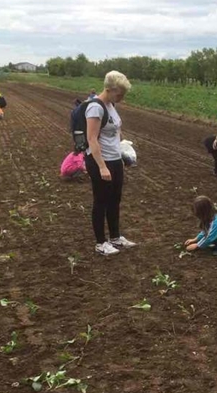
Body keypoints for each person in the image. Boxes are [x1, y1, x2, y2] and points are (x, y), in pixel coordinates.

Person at [85, 70, 137, 256]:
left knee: (115, 200)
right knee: (101, 201)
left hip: (114, 160)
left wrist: (123, 153)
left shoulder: (111, 105)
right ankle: (100, 243)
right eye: (120, 93)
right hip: (101, 161)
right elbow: (92, 139)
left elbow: (115, 132)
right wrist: (102, 166)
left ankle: (115, 237)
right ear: (109, 89)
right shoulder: (95, 107)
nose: (122, 97)